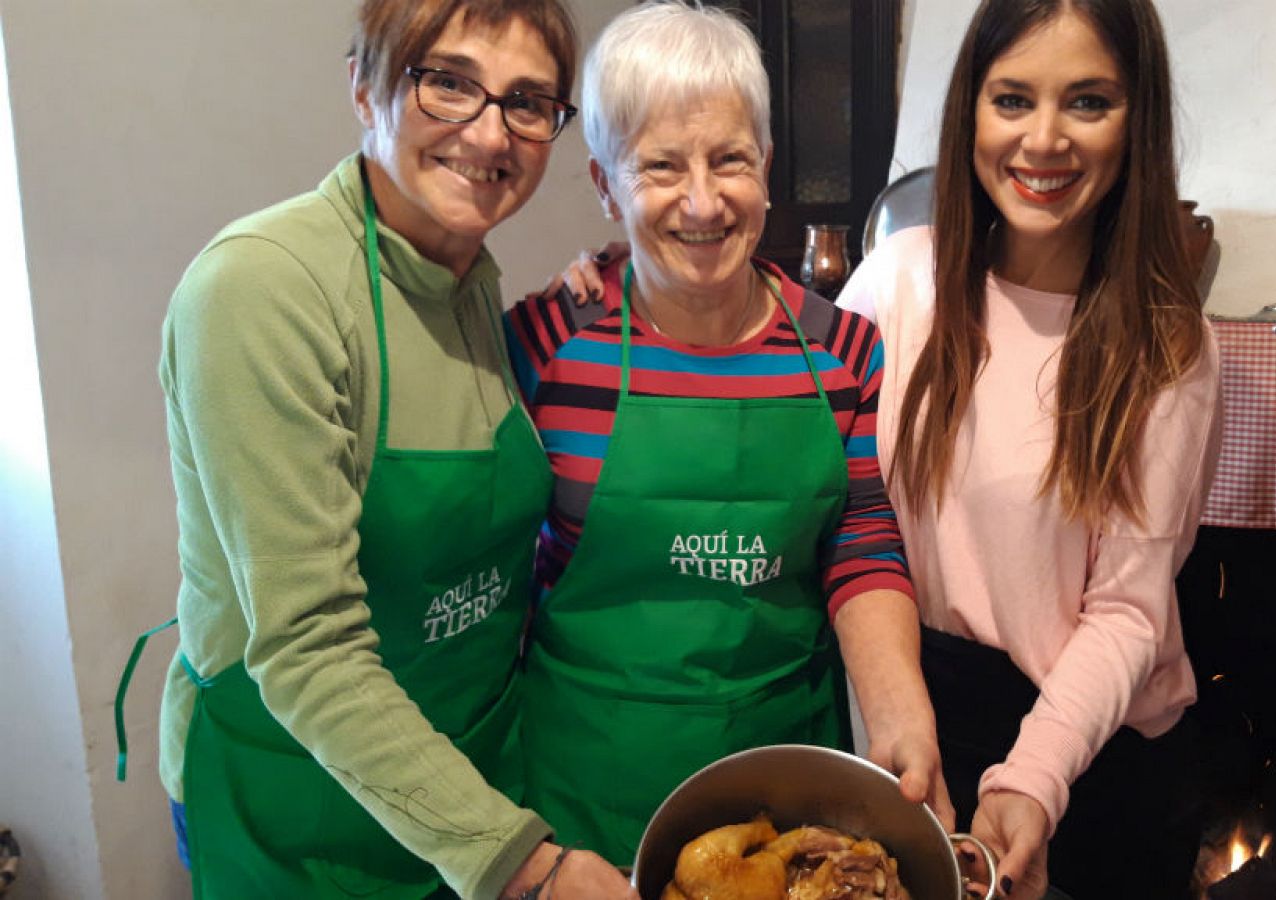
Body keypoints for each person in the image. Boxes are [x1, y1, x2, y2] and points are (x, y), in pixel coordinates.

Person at [117, 1, 637, 897]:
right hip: (298, 800)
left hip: (465, 780)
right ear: (364, 87)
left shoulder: (471, 283)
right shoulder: (261, 290)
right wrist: (529, 868)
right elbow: (308, 648)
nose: (489, 132)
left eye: (527, 102)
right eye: (449, 83)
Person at [502, 0, 950, 867]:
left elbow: (858, 536)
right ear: (604, 184)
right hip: (581, 795)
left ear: (769, 167)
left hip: (784, 792)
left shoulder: (843, 349)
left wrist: (899, 711)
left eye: (729, 160)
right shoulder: (547, 343)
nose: (702, 201)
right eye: (659, 166)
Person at [832, 1, 1224, 897]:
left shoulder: (1169, 343)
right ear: (970, 110)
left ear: (1139, 122)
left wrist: (1033, 779)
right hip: (919, 718)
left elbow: (1129, 612)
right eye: (1012, 99)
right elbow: (771, 399)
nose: (1043, 141)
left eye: (1088, 102)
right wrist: (622, 280)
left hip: (1090, 751)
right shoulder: (898, 280)